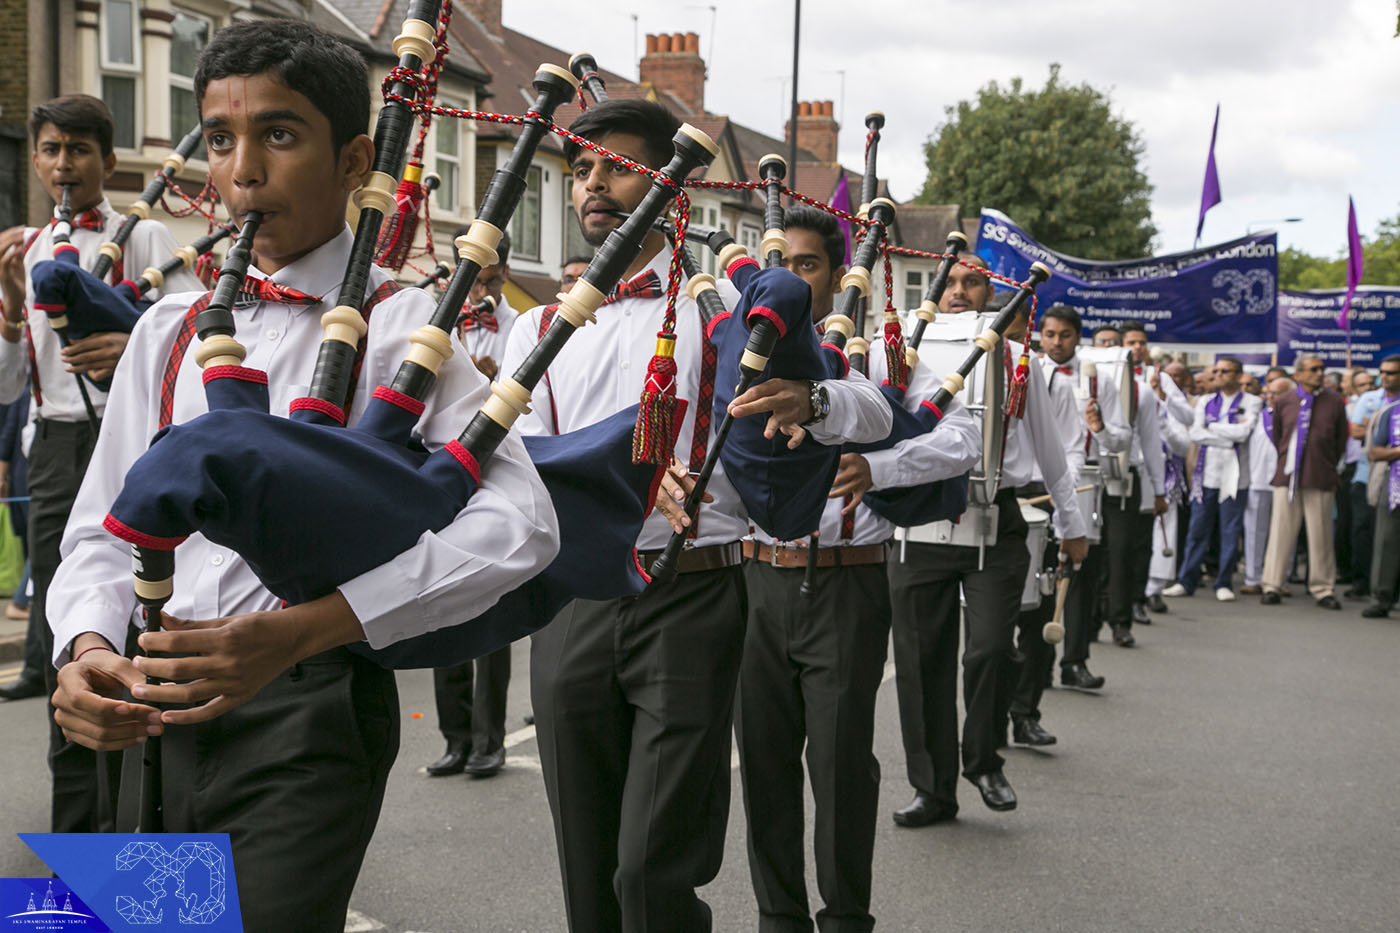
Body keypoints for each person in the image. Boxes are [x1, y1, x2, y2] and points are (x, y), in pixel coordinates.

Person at [44, 22, 557, 931]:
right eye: (221, 138)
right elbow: (97, 527)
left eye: (279, 135)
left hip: (303, 712)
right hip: (146, 699)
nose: (242, 170)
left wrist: (304, 632)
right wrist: (84, 648)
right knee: (137, 924)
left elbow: (522, 524)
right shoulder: (168, 330)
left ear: (355, 158)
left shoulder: (403, 330)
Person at [502, 99, 892, 932]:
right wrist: (618, 479)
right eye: (582, 168)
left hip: (692, 594)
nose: (595, 184)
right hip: (572, 597)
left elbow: (871, 410)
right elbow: (511, 462)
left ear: (671, 189)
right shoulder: (538, 326)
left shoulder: (721, 310)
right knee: (587, 863)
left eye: (617, 166)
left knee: (652, 866)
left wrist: (811, 396)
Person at [734, 205, 977, 932]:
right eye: (780, 264)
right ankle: (779, 917)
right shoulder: (743, 350)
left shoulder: (881, 355)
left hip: (844, 578)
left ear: (842, 277)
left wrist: (877, 463)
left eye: (807, 266)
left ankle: (845, 916)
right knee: (765, 764)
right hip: (754, 578)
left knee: (840, 763)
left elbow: (961, 440)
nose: (791, 280)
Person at [0, 93, 200, 831]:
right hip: (57, 446)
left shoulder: (143, 237)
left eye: (79, 150)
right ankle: (78, 838)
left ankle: (146, 808)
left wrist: (130, 343)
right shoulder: (21, 247)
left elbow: (193, 338)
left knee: (147, 612)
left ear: (108, 162)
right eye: (51, 149)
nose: (63, 165)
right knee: (73, 632)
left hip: (133, 441)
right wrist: (12, 301)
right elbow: (9, 383)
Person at [889, 255, 1088, 826]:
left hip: (996, 515)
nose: (957, 292)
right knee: (920, 661)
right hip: (921, 519)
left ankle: (983, 758)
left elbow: (1051, 454)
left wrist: (1073, 527)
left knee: (992, 648)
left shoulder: (1021, 362)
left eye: (970, 282)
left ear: (989, 295)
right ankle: (933, 788)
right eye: (948, 283)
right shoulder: (907, 347)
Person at [428, 227, 519, 780]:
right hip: (444, 481)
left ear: (502, 274)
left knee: (492, 619)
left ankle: (490, 740)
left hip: (498, 479)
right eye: (469, 277)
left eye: (485, 279)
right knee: (440, 613)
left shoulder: (522, 327)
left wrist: (492, 387)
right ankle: (454, 738)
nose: (476, 290)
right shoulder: (442, 322)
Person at [1026, 305, 1127, 699]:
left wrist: (1100, 428)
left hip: (1081, 483)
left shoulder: (1099, 381)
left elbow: (1121, 438)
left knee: (1079, 573)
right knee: (1041, 575)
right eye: (1049, 334)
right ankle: (1038, 666)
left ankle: (1075, 662)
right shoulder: (1029, 369)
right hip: (1035, 484)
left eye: (1064, 335)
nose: (1056, 342)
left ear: (1077, 337)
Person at [1163, 357, 1261, 601]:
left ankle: (1223, 582)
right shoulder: (1206, 401)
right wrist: (1225, 433)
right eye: (1216, 370)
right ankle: (1187, 580)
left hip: (1235, 476)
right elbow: (1196, 433)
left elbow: (1244, 433)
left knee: (1229, 530)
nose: (1218, 374)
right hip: (1205, 475)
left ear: (1238, 375)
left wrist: (1212, 427)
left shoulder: (1253, 402)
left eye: (1225, 371)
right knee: (1197, 530)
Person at [1260, 355, 1348, 609]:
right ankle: (1272, 585)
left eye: (1321, 369)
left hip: (1320, 475)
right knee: (1280, 533)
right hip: (1287, 477)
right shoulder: (1285, 400)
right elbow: (1279, 436)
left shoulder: (1333, 401)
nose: (1320, 373)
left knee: (1320, 535)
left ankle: (1322, 588)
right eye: (1313, 369)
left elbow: (1341, 439)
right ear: (1298, 375)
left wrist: (1325, 462)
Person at [1107, 320, 1167, 643]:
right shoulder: (1079, 381)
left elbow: (1151, 442)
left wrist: (1159, 490)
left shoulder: (1142, 389)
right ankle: (1088, 623)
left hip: (1127, 478)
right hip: (1087, 476)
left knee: (1122, 552)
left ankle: (1121, 620)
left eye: (1113, 345)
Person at [0, 394, 37, 700]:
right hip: (32, 473)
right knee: (38, 560)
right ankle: (36, 669)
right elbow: (12, 424)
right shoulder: (25, 378)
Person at [1362, 360, 1400, 617]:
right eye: (1382, 373)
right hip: (1394, 482)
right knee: (1387, 541)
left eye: (1391, 373)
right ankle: (1382, 597)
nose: (1384, 377)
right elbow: (1374, 451)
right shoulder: (1391, 412)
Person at [1241, 377, 1286, 594]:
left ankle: (1280, 579)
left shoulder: (1294, 417)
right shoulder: (1257, 416)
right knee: (1254, 531)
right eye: (1269, 392)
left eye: (1277, 393)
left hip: (1284, 482)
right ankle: (1253, 577)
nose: (1271, 397)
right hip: (1258, 480)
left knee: (1284, 532)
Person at [455, 226, 515, 381]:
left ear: (506, 273)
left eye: (492, 281)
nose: (483, 293)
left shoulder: (519, 326)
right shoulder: (449, 322)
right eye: (474, 281)